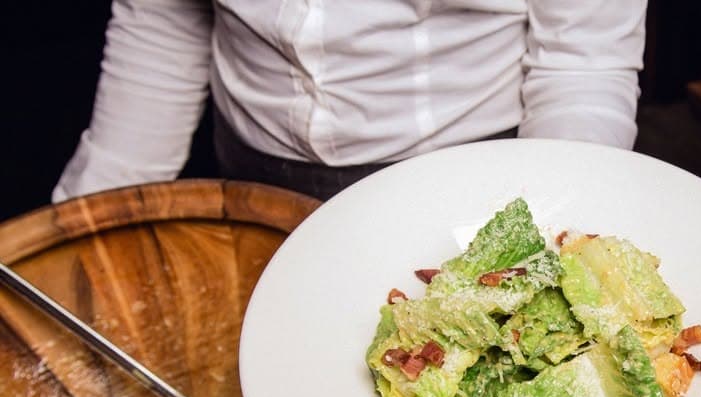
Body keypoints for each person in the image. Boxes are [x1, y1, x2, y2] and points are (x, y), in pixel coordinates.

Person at [53, 1, 648, 202]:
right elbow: (163, 20)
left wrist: (548, 227)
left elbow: (581, 63)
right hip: (252, 176)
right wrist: (84, 223)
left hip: (475, 179)